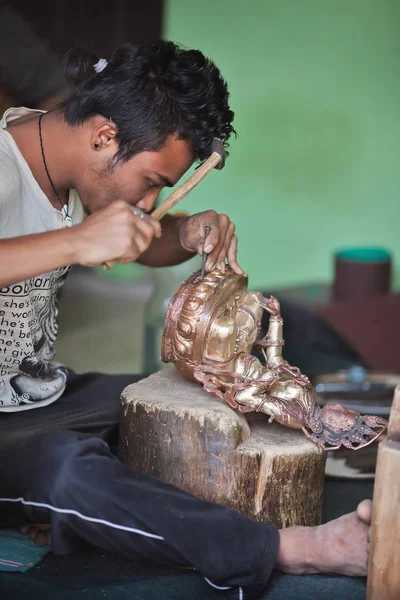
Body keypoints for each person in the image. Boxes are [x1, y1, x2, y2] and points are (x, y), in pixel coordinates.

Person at [0, 41, 371, 600]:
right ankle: (288, 549)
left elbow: (141, 239)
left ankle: (87, 512)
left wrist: (187, 232)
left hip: (36, 399)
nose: (153, 197)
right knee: (65, 470)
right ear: (104, 135)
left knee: (165, 406)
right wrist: (75, 240)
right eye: (152, 180)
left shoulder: (69, 160)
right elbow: (93, 234)